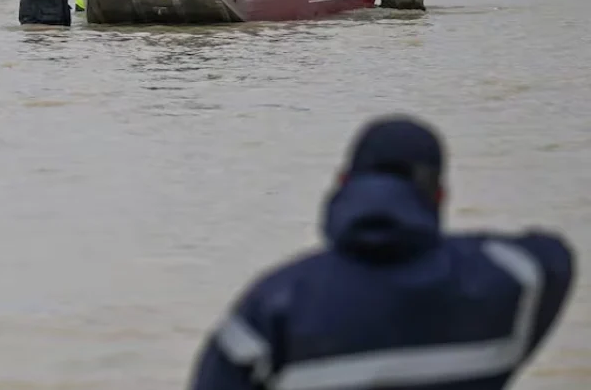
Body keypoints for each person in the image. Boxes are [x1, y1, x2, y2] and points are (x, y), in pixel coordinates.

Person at [187, 115, 575, 390]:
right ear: (440, 196)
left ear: (342, 183)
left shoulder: (276, 303)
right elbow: (555, 254)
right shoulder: (505, 283)